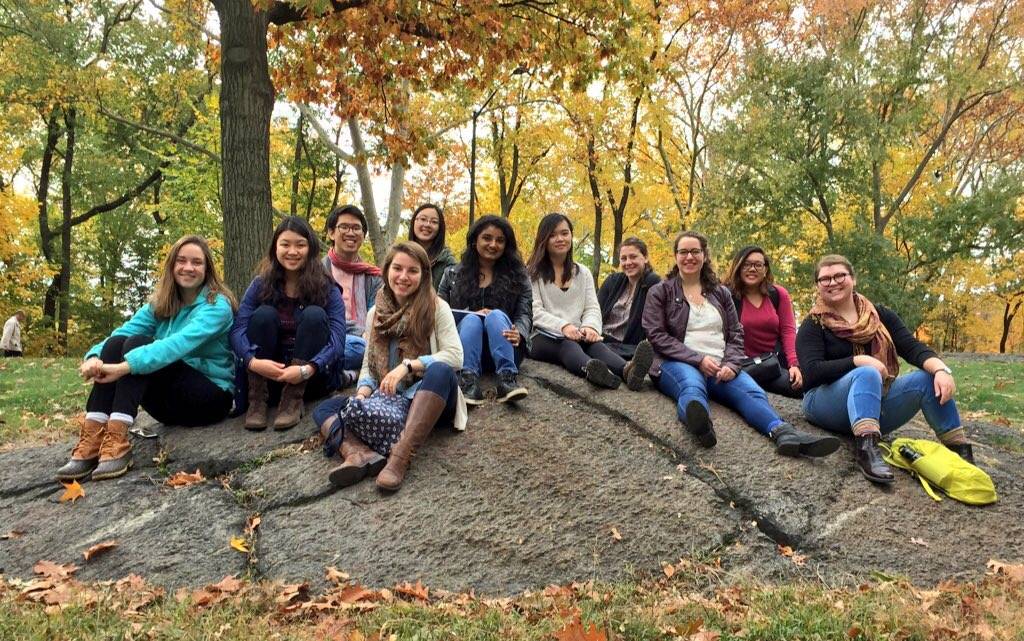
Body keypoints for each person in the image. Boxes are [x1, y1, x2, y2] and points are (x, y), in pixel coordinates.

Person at [642, 231, 839, 458]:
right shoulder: (661, 292)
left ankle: (783, 432)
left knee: (753, 392)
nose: (689, 257)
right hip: (676, 362)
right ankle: (700, 422)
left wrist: (732, 364)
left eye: (695, 251)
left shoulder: (720, 293)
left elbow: (736, 334)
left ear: (704, 255)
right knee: (691, 385)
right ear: (675, 256)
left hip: (719, 364)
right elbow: (656, 334)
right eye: (683, 252)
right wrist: (697, 359)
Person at [56, 236, 237, 482]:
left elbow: (176, 345)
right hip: (167, 407)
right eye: (182, 261)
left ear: (207, 270)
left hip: (209, 399)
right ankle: (92, 438)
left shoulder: (217, 306)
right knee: (117, 343)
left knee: (139, 345)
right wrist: (93, 357)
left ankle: (118, 440)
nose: (188, 268)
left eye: (197, 262)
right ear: (172, 265)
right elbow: (122, 333)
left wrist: (124, 367)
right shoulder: (161, 303)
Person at [796, 254, 969, 484]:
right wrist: (858, 361)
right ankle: (867, 450)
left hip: (873, 403)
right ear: (818, 285)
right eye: (825, 279)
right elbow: (811, 372)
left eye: (839, 275)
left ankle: (960, 454)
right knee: (867, 373)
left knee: (927, 379)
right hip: (824, 404)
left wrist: (940, 370)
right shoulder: (813, 324)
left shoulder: (879, 315)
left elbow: (911, 347)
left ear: (853, 279)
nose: (833, 282)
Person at [312, 241, 465, 491]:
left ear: (424, 275)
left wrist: (409, 366)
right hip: (389, 400)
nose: (403, 277)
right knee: (325, 409)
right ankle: (358, 454)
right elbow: (368, 366)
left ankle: (399, 457)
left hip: (429, 400)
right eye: (397, 268)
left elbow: (456, 356)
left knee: (441, 371)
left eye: (412, 271)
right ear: (386, 271)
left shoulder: (436, 307)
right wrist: (362, 393)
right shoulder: (376, 313)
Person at [231, 216, 346, 431]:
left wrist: (307, 369)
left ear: (310, 248)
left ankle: (293, 400)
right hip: (268, 375)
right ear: (275, 247)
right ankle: (257, 402)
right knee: (263, 314)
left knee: (314, 315)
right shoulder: (260, 284)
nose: (292, 251)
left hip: (311, 377)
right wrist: (252, 362)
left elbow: (338, 339)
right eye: (285, 244)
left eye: (300, 245)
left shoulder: (327, 287)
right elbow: (238, 330)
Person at [526, 213, 646, 390]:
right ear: (543, 239)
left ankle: (628, 371)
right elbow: (534, 311)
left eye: (564, 233)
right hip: (542, 336)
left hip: (578, 333)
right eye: (552, 235)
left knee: (596, 346)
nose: (560, 239)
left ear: (571, 236)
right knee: (567, 345)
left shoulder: (583, 273)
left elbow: (591, 307)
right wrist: (564, 326)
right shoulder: (531, 273)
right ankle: (593, 371)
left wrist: (590, 327)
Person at [438, 215, 531, 404]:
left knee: (495, 315)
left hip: (505, 347)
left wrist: (519, 332)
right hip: (466, 350)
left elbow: (525, 313)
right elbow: (439, 314)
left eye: (500, 240)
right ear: (475, 241)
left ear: (507, 245)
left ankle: (507, 380)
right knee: (472, 321)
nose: (493, 244)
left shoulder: (519, 276)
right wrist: (473, 314)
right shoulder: (452, 275)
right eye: (487, 238)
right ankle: (468, 382)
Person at [724, 245, 803, 398]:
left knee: (799, 386)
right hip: (741, 366)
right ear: (738, 267)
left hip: (772, 365)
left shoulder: (778, 294)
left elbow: (788, 331)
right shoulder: (727, 295)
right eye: (747, 264)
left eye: (758, 265)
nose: (752, 269)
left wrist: (794, 364)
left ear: (765, 269)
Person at [322, 204, 383, 381]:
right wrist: (358, 332)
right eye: (344, 227)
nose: (351, 232)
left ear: (363, 235)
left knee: (364, 348)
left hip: (363, 342)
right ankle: (354, 372)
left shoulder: (373, 276)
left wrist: (366, 335)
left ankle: (333, 371)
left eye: (356, 228)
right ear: (331, 233)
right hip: (329, 336)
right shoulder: (317, 271)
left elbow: (376, 314)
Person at [596, 237, 658, 381]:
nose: (628, 262)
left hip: (629, 346)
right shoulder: (613, 281)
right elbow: (595, 311)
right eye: (623, 259)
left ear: (645, 258)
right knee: (589, 346)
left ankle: (631, 369)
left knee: (600, 350)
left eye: (633, 257)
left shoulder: (653, 284)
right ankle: (611, 371)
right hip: (601, 338)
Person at [408, 203, 457, 290]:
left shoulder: (447, 261)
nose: (427, 224)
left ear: (440, 228)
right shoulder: (401, 255)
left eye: (434, 222)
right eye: (423, 219)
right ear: (413, 222)